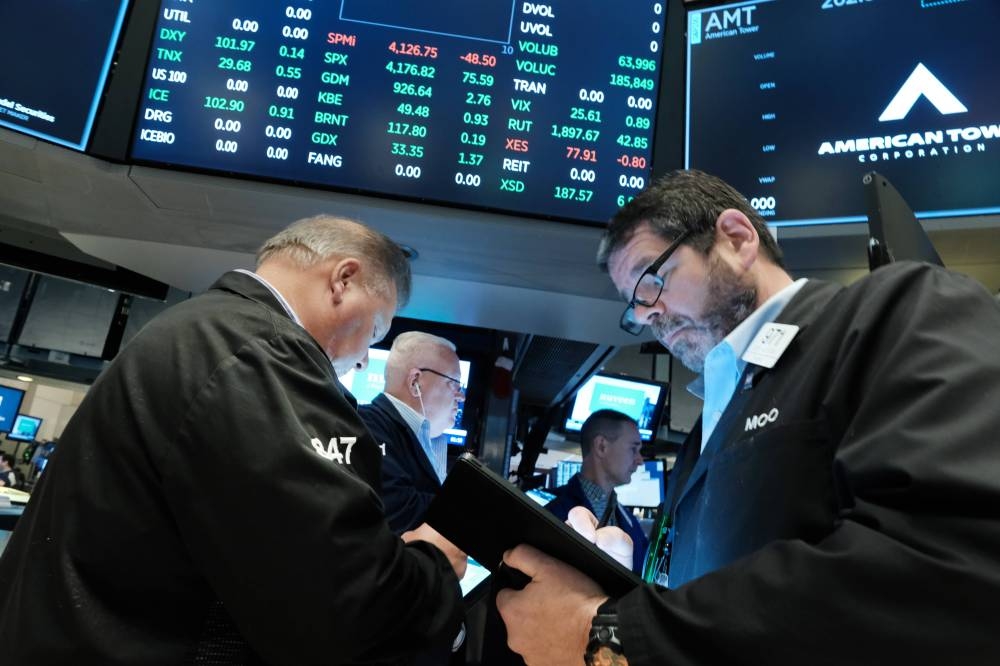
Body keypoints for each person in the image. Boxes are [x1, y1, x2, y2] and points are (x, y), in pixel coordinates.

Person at [497, 169, 1000, 665]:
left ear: (737, 239)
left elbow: (948, 559)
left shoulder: (897, 309)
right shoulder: (705, 431)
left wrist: (610, 635)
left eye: (652, 279)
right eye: (635, 305)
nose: (648, 314)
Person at [0, 215, 467, 665]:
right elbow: (337, 605)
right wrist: (434, 564)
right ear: (343, 280)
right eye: (377, 328)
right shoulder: (262, 356)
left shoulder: (204, 329)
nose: (366, 355)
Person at [359, 331, 464, 534]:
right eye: (455, 383)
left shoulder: (418, 437)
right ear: (415, 380)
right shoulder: (366, 424)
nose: (461, 396)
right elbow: (398, 509)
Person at [545, 410, 649, 573]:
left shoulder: (629, 519)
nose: (640, 461)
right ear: (601, 446)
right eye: (633, 449)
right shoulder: (548, 509)